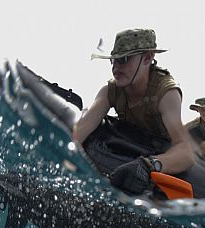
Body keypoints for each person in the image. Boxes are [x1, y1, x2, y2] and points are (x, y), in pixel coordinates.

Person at [72, 28, 195, 194]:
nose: (115, 68)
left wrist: (149, 165)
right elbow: (81, 130)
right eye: (113, 61)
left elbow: (185, 152)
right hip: (127, 147)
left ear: (147, 58)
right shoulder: (110, 91)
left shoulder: (165, 93)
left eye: (123, 59)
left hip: (159, 153)